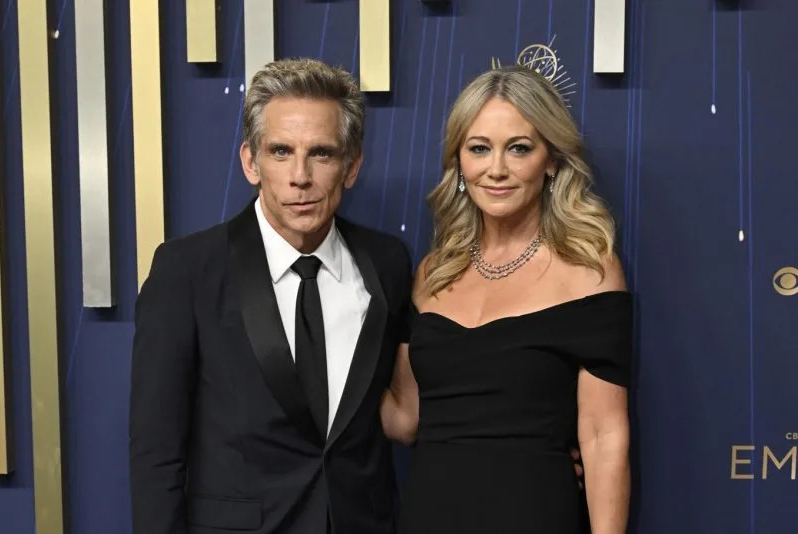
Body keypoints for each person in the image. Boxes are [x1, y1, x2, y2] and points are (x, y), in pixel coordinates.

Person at [129, 58, 414, 534]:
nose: (300, 176)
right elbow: (156, 452)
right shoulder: (187, 271)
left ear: (351, 166)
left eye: (321, 153)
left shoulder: (387, 262)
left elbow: (402, 409)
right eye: (281, 151)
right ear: (250, 162)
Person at [382, 66, 632, 534]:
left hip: (534, 515)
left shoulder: (589, 271)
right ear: (459, 161)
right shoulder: (432, 274)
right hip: (429, 517)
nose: (496, 169)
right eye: (479, 148)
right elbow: (403, 419)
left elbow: (604, 437)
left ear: (551, 160)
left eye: (519, 148)